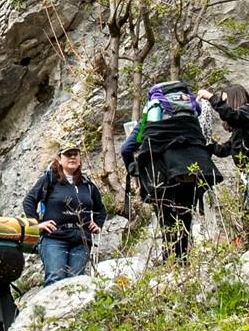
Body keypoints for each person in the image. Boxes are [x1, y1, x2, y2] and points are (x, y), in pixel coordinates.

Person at [119, 80, 222, 260]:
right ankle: (183, 258)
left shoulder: (152, 112)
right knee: (185, 214)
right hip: (192, 170)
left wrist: (133, 169)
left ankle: (171, 261)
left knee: (167, 217)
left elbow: (126, 148)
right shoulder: (191, 113)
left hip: (163, 174)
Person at [21, 143, 105, 284]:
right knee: (55, 278)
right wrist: (37, 225)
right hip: (54, 237)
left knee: (76, 282)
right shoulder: (50, 180)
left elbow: (100, 209)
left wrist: (97, 224)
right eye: (68, 154)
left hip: (81, 239)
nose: (72, 157)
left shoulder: (88, 184)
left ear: (79, 158)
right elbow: (29, 201)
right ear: (59, 159)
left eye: (75, 154)